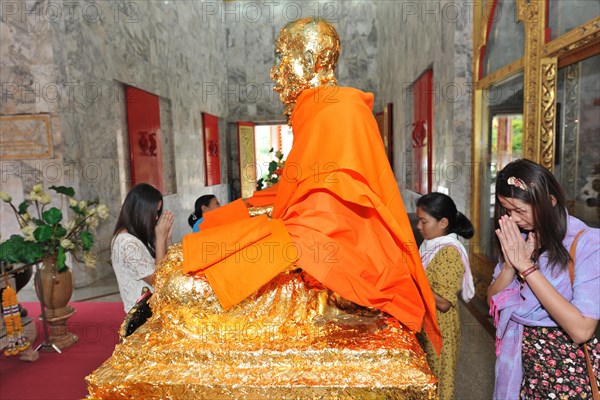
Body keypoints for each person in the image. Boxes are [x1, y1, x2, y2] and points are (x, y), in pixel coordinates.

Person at [183, 17, 441, 352]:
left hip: (341, 253)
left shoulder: (342, 109)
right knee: (193, 254)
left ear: (307, 63)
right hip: (308, 235)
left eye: (281, 59)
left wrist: (252, 238)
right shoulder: (317, 110)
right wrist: (234, 218)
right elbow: (297, 193)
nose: (275, 74)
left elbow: (333, 213)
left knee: (189, 282)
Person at [488, 159, 600, 399]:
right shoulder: (517, 237)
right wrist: (509, 265)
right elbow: (493, 300)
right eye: (507, 210)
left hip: (564, 370)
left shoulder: (587, 243)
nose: (513, 219)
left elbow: (581, 330)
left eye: (519, 210)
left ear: (549, 202)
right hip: (519, 362)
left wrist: (527, 268)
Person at [415, 192, 475, 400]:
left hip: (440, 328)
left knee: (439, 380)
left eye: (424, 221)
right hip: (427, 321)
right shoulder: (430, 243)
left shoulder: (448, 252)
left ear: (443, 222)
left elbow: (443, 303)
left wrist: (414, 282)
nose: (419, 226)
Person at [112, 183, 174, 313]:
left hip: (154, 308)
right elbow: (158, 281)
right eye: (154, 213)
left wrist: (167, 239)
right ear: (141, 211)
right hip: (143, 316)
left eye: (158, 213)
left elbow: (170, 268)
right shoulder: (127, 243)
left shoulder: (135, 236)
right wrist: (160, 239)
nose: (157, 218)